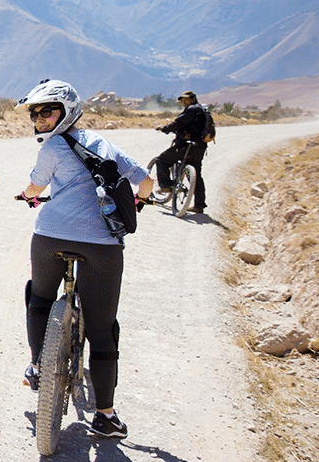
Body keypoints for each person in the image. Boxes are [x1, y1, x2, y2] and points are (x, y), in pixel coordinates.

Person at [16, 79, 154, 439]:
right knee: (102, 329)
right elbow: (147, 181)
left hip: (49, 239)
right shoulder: (105, 144)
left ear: (67, 111)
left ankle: (37, 367)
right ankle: (105, 416)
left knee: (40, 299)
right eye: (35, 112)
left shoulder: (52, 148)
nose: (40, 118)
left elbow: (35, 188)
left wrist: (27, 195)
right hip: (102, 247)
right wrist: (138, 202)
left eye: (48, 111)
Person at [152, 90, 207, 214]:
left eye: (186, 99)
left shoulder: (192, 109)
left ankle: (166, 186)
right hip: (199, 148)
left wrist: (165, 129)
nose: (183, 102)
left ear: (193, 99)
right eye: (182, 100)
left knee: (161, 160)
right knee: (196, 175)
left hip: (186, 146)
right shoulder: (202, 111)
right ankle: (199, 205)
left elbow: (179, 123)